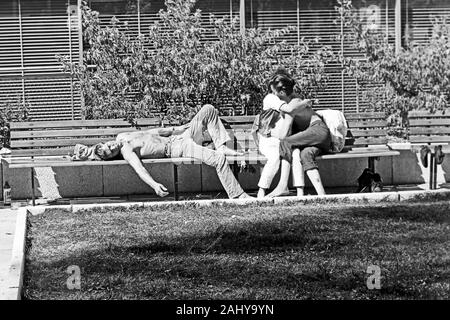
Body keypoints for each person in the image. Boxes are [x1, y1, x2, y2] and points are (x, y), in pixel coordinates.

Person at [72, 104, 252, 199]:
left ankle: (221, 145)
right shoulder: (127, 151)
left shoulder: (122, 136)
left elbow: (152, 132)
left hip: (180, 137)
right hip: (178, 148)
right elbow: (139, 169)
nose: (112, 147)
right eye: (111, 152)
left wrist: (179, 128)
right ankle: (238, 195)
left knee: (208, 110)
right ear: (113, 157)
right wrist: (154, 185)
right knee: (218, 160)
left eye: (108, 145)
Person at [255, 70, 331, 197]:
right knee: (305, 155)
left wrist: (270, 133)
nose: (274, 96)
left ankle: (282, 186)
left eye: (274, 92)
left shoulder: (293, 105)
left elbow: (283, 136)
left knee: (286, 142)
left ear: (282, 92)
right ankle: (322, 195)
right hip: (318, 138)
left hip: (317, 130)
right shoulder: (296, 100)